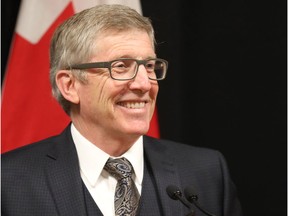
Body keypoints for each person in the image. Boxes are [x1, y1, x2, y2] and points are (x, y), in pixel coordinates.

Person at [1, 4, 243, 216]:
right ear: (70, 85)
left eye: (149, 66)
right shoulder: (8, 182)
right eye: (120, 66)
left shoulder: (206, 172)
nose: (144, 84)